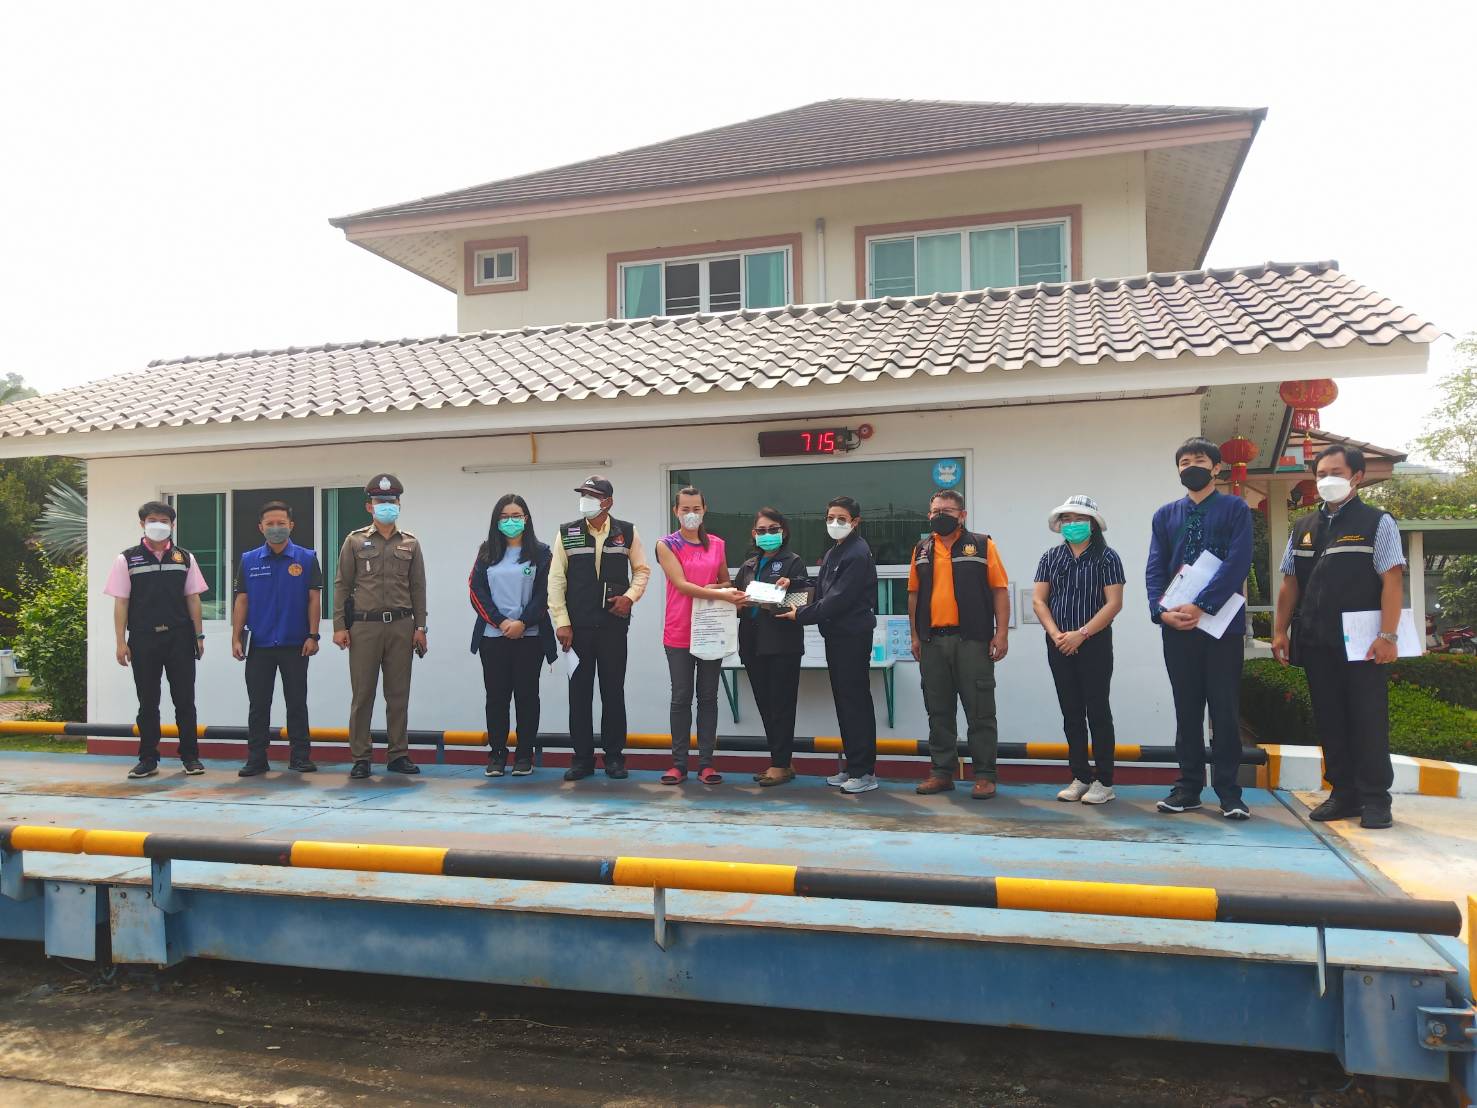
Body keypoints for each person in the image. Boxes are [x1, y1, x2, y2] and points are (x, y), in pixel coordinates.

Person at [1272, 445, 1405, 829]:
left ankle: (1375, 799)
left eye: (1336, 472)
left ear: (1356, 477)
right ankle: (1343, 793)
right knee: (1329, 719)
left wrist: (1388, 635)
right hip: (1316, 640)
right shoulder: (1302, 527)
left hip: (1363, 643)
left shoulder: (1377, 522)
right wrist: (1279, 631)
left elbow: (1392, 580)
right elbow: (1290, 584)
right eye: (1320, 473)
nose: (1327, 479)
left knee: (1367, 719)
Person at [1145, 438, 1253, 819]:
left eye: (1200, 460)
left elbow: (1238, 562)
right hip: (1177, 627)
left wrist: (1203, 604)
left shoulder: (1236, 509)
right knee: (1186, 710)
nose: (1191, 466)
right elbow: (1155, 567)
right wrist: (1160, 611)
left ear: (1216, 467)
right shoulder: (1164, 515)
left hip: (1222, 627)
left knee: (1224, 709)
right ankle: (1188, 788)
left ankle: (1229, 793)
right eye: (1184, 461)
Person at [548, 476, 652, 781]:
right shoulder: (567, 532)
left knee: (613, 692)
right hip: (577, 629)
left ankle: (614, 758)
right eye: (583, 494)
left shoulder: (626, 532)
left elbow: (642, 570)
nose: (586, 500)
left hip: (613, 627)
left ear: (608, 502)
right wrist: (562, 621)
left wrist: (630, 598)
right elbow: (556, 579)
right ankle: (582, 759)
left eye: (592, 496)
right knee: (579, 695)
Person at [910, 490, 1011, 800]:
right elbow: (913, 595)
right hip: (932, 642)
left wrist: (1001, 633)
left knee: (980, 711)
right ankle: (941, 773)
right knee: (938, 710)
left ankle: (984, 775)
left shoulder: (982, 545)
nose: (939, 516)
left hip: (972, 641)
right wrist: (915, 636)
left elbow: (999, 590)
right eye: (935, 511)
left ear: (962, 515)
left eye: (947, 511)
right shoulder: (922, 549)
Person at [778, 496, 878, 793]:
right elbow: (822, 588)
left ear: (855, 522)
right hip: (836, 636)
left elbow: (838, 599)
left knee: (855, 702)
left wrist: (801, 615)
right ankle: (853, 767)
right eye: (830, 517)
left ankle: (864, 772)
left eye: (841, 518)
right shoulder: (836, 551)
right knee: (845, 702)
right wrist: (794, 584)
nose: (834, 523)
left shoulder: (857, 553)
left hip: (852, 637)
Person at [331, 474, 428, 780]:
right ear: (369, 506)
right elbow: (342, 585)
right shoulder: (354, 541)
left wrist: (421, 627)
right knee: (363, 695)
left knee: (398, 695)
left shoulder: (410, 543)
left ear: (399, 504)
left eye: (391, 501)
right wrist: (339, 626)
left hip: (401, 625)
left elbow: (418, 587)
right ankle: (361, 756)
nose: (387, 506)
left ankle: (398, 754)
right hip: (365, 627)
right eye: (380, 501)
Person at [103, 500, 209, 779]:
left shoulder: (185, 558)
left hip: (180, 638)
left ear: (172, 525)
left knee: (185, 701)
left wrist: (198, 636)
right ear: (142, 524)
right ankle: (148, 759)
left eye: (164, 521)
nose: (158, 525)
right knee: (148, 702)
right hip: (143, 638)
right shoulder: (127, 559)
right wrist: (120, 642)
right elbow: (121, 602)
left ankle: (190, 758)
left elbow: (193, 598)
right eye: (152, 520)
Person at [1032, 495, 1125, 804]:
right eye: (1067, 519)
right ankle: (1080, 776)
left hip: (1094, 642)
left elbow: (1114, 603)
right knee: (1071, 711)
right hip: (1059, 643)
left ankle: (1104, 781)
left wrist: (1081, 634)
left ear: (1093, 524)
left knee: (1097, 710)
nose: (1072, 524)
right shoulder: (1050, 557)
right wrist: (1057, 634)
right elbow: (1039, 600)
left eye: (1079, 519)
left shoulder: (1107, 557)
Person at [655, 487, 745, 785]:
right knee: (681, 697)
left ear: (704, 510)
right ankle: (678, 764)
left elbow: (725, 581)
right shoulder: (666, 545)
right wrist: (719, 592)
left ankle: (706, 763)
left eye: (696, 509)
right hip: (679, 630)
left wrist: (719, 589)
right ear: (676, 512)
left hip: (711, 630)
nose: (691, 514)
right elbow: (681, 585)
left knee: (708, 697)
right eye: (685, 509)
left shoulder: (717, 544)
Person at [230, 500, 323, 776]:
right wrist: (236, 638)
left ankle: (300, 757)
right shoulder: (249, 560)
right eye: (269, 523)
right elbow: (242, 600)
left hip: (296, 644)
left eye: (281, 523)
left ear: (291, 525)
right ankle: (256, 758)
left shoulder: (307, 558)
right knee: (258, 704)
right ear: (261, 527)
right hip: (259, 645)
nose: (275, 528)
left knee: (296, 702)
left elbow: (314, 599)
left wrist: (313, 635)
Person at [469, 494, 556, 777]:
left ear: (526, 519)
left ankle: (524, 755)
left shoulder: (541, 553)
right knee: (496, 697)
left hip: (530, 637)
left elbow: (547, 593)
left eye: (516, 516)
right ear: (496, 521)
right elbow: (476, 590)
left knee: (527, 696)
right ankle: (497, 754)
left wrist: (522, 622)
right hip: (492, 637)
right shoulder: (487, 552)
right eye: (504, 517)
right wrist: (501, 621)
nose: (510, 522)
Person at [734, 508, 809, 787]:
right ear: (754, 534)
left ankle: (780, 764)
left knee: (781, 706)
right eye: (762, 530)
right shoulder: (748, 566)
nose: (767, 535)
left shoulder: (793, 562)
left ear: (783, 531)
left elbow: (801, 600)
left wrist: (771, 597)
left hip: (782, 646)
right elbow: (738, 601)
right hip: (752, 644)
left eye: (773, 529)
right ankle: (782, 761)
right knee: (765, 705)